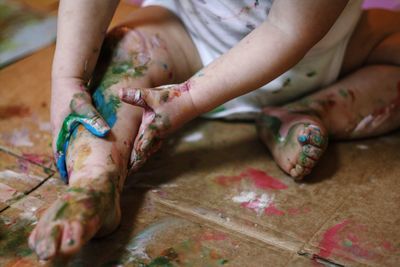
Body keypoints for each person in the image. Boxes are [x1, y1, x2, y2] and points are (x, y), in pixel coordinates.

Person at [28, 0, 400, 260]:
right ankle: (96, 182)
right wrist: (68, 77)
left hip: (321, 52)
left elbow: (289, 28)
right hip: (188, 41)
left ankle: (310, 112)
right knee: (124, 57)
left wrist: (189, 100)